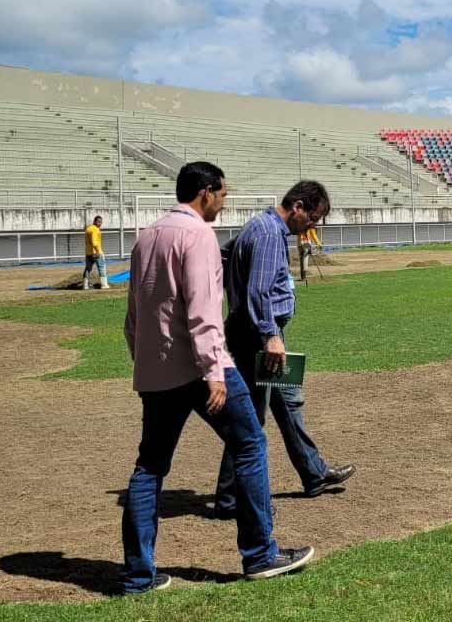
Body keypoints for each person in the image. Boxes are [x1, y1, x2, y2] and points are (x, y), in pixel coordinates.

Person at [122, 162, 313, 594]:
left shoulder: (146, 236)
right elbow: (204, 312)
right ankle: (260, 553)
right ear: (206, 192)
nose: (223, 205)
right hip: (202, 366)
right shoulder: (199, 237)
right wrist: (214, 371)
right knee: (249, 443)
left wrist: (145, 363)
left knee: (149, 467)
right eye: (223, 196)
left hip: (156, 371)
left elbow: (133, 317)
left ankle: (138, 575)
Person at [215, 180, 355, 519]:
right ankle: (231, 498)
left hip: (261, 331)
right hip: (258, 336)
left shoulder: (261, 227)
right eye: (313, 218)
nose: (313, 226)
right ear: (298, 207)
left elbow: (224, 253)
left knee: (289, 402)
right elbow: (260, 291)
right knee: (251, 417)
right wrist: (269, 335)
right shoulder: (266, 234)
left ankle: (314, 472)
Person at [83, 215, 109, 289]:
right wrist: (98, 251)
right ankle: (104, 285)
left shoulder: (88, 229)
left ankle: (85, 285)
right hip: (97, 253)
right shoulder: (95, 229)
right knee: (102, 267)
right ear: (94, 221)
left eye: (101, 222)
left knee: (88, 269)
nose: (100, 223)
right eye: (98, 222)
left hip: (88, 253)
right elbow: (94, 242)